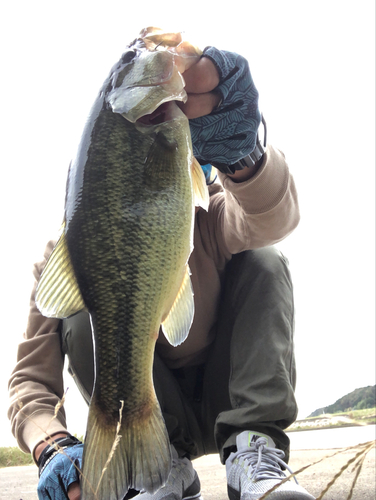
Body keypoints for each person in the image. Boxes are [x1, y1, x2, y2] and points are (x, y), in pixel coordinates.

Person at [8, 45, 315, 500]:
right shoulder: (64, 255)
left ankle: (255, 448)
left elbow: (274, 219)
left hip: (227, 395)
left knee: (264, 257)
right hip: (154, 418)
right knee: (77, 314)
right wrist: (50, 445)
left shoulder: (210, 212)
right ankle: (159, 471)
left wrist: (244, 155)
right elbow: (29, 380)